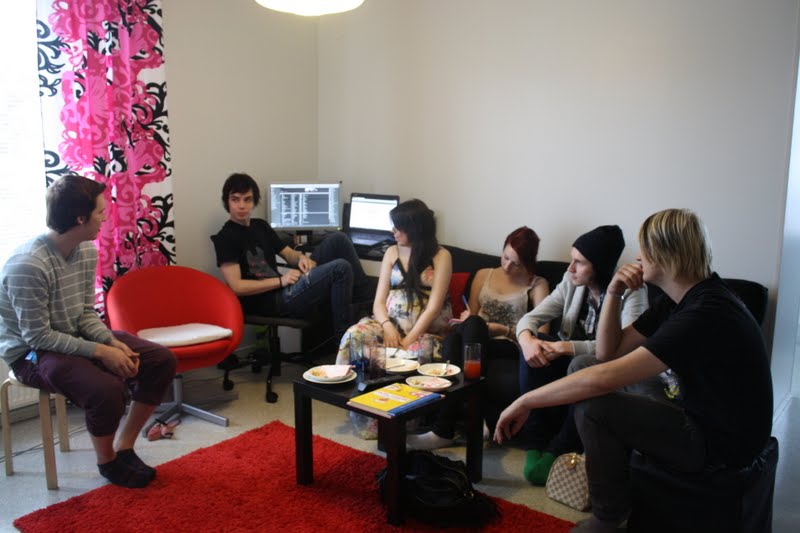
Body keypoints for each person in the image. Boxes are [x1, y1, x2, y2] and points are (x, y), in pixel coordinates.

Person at [495, 209, 773, 533]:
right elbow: (606, 354)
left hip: (720, 443)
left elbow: (606, 377)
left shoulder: (704, 312)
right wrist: (614, 292)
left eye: (644, 249)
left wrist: (525, 401)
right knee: (583, 364)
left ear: (666, 254)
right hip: (697, 412)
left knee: (593, 406)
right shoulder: (681, 299)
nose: (638, 257)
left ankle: (608, 516)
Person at [0, 175, 176, 489]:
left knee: (160, 359)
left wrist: (109, 341)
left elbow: (84, 313)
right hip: (30, 353)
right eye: (100, 212)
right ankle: (107, 462)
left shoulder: (85, 251)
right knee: (106, 390)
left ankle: (125, 447)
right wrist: (101, 351)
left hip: (70, 336)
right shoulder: (28, 265)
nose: (105, 217)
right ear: (81, 218)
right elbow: (37, 337)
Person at [514, 225, 648, 485]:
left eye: (580, 262)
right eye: (571, 259)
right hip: (565, 364)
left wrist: (568, 347)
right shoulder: (571, 282)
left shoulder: (633, 291)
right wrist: (526, 340)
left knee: (580, 362)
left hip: (602, 370)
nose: (570, 268)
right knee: (537, 344)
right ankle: (534, 443)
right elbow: (530, 319)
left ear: (599, 266)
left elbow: (623, 347)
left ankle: (559, 449)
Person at [406, 226, 550, 450]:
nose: (507, 266)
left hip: (510, 343)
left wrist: (502, 329)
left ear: (528, 263)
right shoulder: (484, 274)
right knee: (459, 335)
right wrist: (467, 318)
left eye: (516, 263)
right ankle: (472, 417)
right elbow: (471, 313)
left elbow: (543, 334)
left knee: (463, 335)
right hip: (475, 337)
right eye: (505, 258)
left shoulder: (537, 284)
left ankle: (444, 429)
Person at [211, 173, 373, 338]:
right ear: (227, 201)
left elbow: (289, 255)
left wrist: (302, 258)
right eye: (235, 199)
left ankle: (366, 307)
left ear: (254, 202)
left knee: (338, 239)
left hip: (284, 287)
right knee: (340, 267)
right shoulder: (224, 238)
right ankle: (343, 341)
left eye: (247, 200)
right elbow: (237, 287)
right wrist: (281, 281)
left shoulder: (260, 226)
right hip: (269, 302)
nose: (241, 206)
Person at [336, 199, 453, 364]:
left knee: (417, 353)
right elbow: (379, 302)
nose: (393, 232)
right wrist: (387, 327)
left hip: (425, 332)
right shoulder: (391, 252)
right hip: (389, 325)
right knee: (353, 335)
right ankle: (346, 380)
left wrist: (407, 342)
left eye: (398, 228)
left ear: (414, 229)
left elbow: (434, 308)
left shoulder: (441, 256)